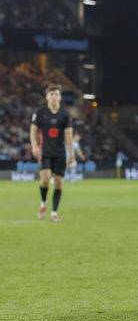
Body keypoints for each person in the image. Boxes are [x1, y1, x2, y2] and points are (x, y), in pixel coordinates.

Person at [30, 84, 74, 223]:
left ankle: (54, 213)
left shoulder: (65, 115)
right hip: (45, 152)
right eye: (51, 94)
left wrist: (71, 153)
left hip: (60, 153)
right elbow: (33, 130)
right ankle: (43, 203)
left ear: (60, 97)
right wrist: (34, 146)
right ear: (47, 97)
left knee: (58, 182)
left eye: (56, 94)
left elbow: (68, 135)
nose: (54, 96)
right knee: (45, 178)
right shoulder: (40, 112)